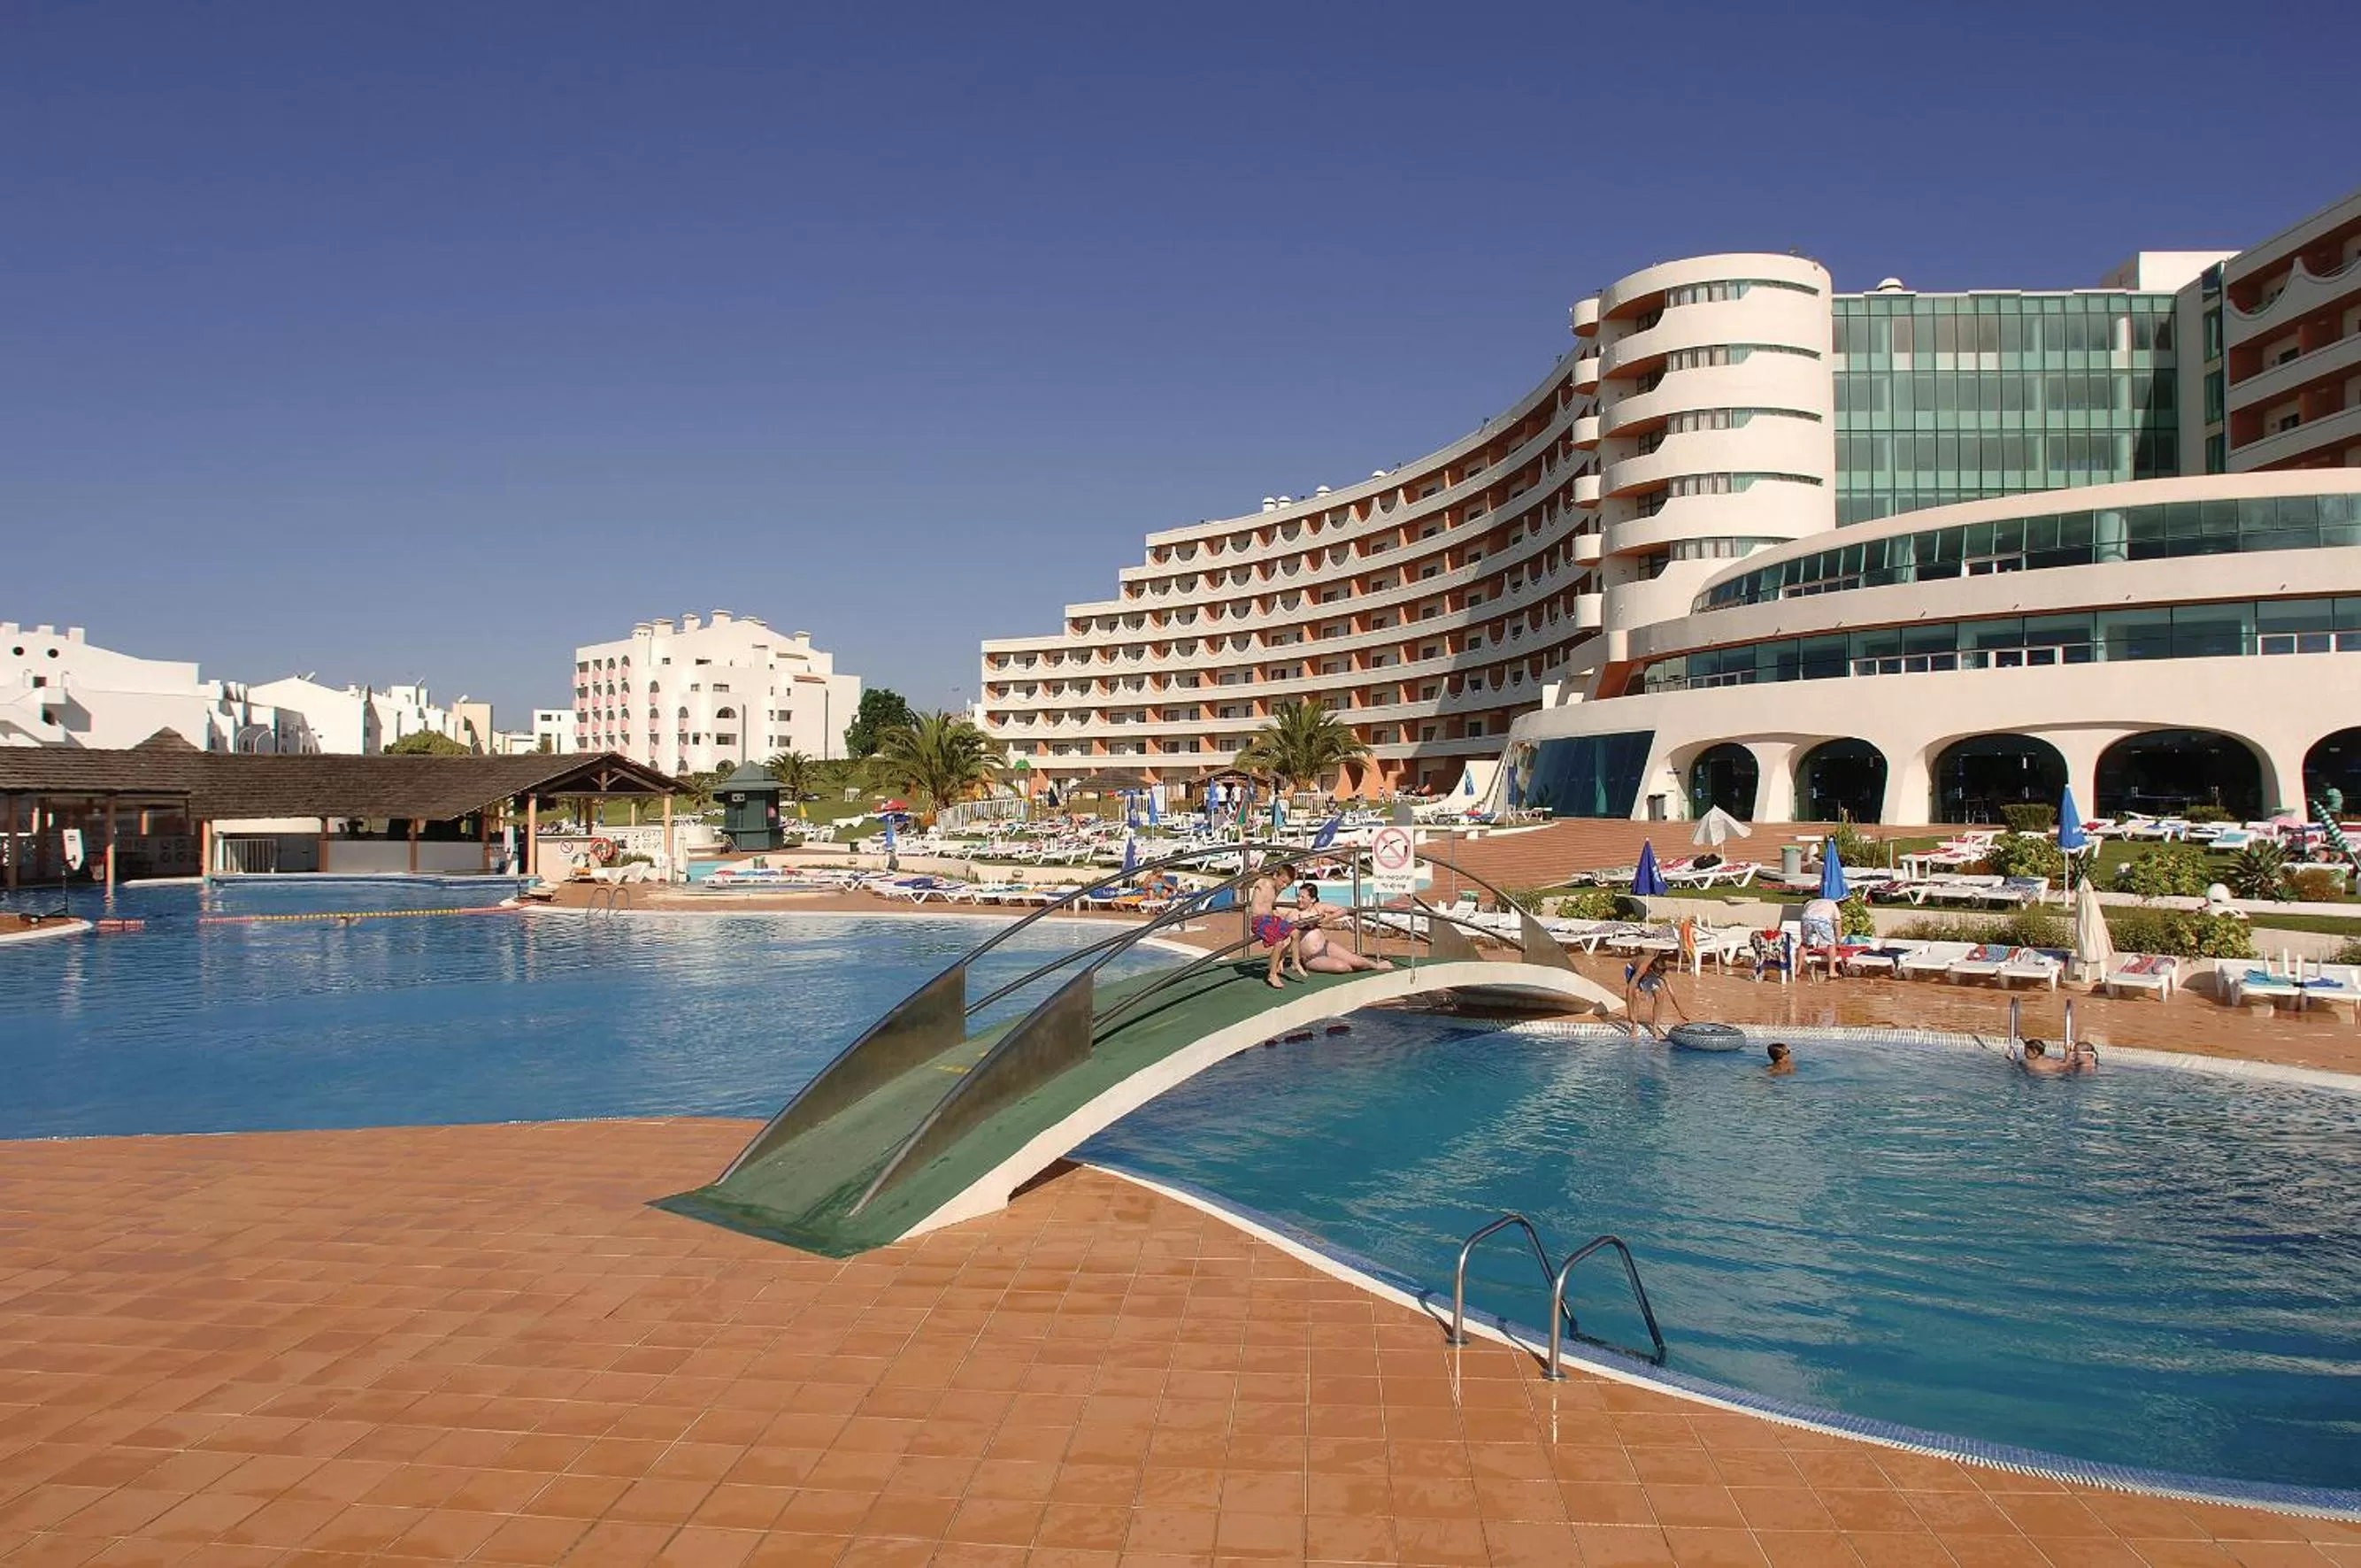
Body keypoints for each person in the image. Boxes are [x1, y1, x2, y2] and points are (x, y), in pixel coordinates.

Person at [1292, 884, 1393, 973]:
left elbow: (1344, 910)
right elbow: (1287, 937)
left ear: (1312, 899)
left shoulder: (1319, 907)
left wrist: (1329, 918)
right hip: (1311, 957)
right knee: (1342, 967)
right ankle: (1353, 967)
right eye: (1298, 896)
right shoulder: (1294, 913)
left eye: (1302, 897)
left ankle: (1376, 966)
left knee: (1356, 961)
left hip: (1326, 946)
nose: (1299, 899)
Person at [1247, 866, 1305, 988]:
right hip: (1258, 921)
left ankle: (1295, 962)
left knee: (1295, 932)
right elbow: (1240, 886)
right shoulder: (1263, 882)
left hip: (1270, 919)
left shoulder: (1277, 889)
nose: (1284, 886)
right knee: (1279, 941)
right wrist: (1249, 875)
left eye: (1287, 884)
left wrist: (1276, 914)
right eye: (1283, 882)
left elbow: (1268, 904)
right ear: (1275, 876)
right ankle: (1272, 974)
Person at [1623, 947, 1688, 1035]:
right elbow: (1629, 990)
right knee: (1636, 994)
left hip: (1650, 973)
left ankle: (1655, 1027)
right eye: (1659, 975)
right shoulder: (1642, 968)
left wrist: (1680, 1011)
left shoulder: (1662, 972)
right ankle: (1634, 1026)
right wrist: (1630, 1013)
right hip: (1633, 970)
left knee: (1660, 995)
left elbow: (1671, 994)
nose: (1661, 976)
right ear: (1652, 970)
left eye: (1661, 974)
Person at [2016, 1038, 2096, 1077]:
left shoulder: (2027, 1062)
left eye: (2026, 1051)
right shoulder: (2051, 1060)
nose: (2024, 1053)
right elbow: (2065, 1064)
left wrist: (2067, 1051)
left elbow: (2066, 1064)